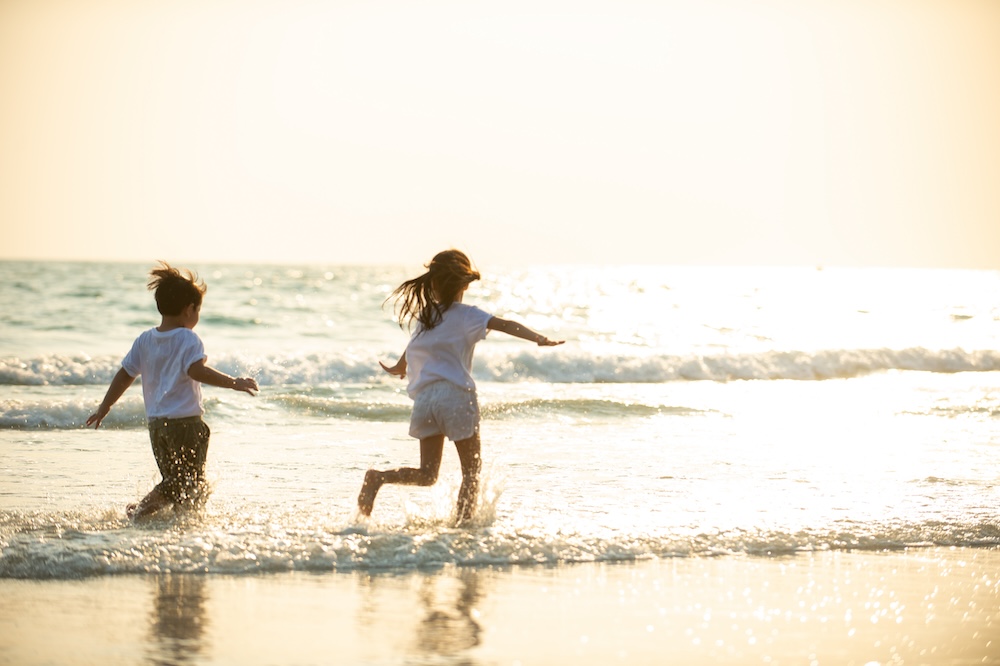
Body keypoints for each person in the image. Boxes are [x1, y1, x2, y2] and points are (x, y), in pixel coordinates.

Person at [357, 249, 564, 524]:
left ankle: (379, 477)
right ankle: (464, 529)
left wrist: (401, 365)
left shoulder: (427, 315)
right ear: (464, 283)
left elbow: (416, 344)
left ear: (433, 282)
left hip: (425, 401)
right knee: (471, 472)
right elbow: (505, 324)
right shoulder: (468, 315)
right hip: (455, 397)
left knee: (427, 474)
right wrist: (537, 338)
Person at [86, 262, 259, 519]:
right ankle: (141, 511)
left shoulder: (145, 339)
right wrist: (234, 382)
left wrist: (105, 406)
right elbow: (196, 371)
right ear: (190, 309)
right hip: (185, 425)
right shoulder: (188, 338)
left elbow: (125, 374)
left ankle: (178, 522)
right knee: (187, 483)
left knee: (178, 481)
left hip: (157, 427)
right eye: (198, 309)